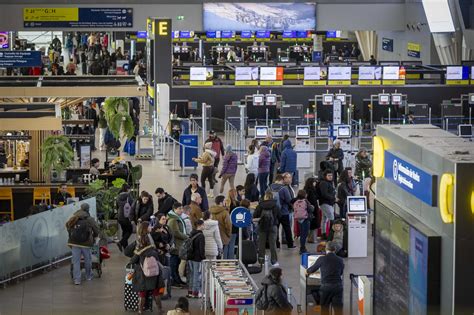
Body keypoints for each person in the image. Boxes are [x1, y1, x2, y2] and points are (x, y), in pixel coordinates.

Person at [129, 221, 163, 315]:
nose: (151, 227)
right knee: (156, 291)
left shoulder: (139, 248)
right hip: (154, 271)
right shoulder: (152, 248)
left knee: (142, 292)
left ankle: (140, 310)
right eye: (149, 226)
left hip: (143, 272)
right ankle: (160, 309)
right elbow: (157, 257)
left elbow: (133, 259)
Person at [306, 241, 344, 315]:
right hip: (338, 287)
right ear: (335, 249)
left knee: (324, 309)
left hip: (326, 287)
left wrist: (307, 271)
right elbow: (341, 272)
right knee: (338, 309)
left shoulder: (322, 259)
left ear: (326, 249)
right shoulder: (340, 260)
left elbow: (311, 270)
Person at [66, 203, 100, 285]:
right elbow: (96, 229)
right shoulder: (89, 218)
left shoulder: (74, 216)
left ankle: (77, 280)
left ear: (81, 208)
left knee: (76, 261)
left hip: (74, 242)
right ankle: (88, 276)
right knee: (87, 259)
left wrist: (72, 236)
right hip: (85, 243)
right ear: (88, 209)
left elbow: (68, 226)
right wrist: (95, 237)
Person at [253, 191, 280, 266]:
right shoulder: (275, 205)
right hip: (273, 226)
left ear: (265, 197)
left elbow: (255, 215)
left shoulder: (260, 205)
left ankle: (261, 261)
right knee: (273, 244)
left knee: (261, 244)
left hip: (262, 226)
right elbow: (279, 215)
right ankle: (274, 261)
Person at [268, 174, 295, 249]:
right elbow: (289, 200)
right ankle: (290, 244)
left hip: (273, 212)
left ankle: (276, 244)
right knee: (287, 228)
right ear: (282, 180)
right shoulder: (284, 188)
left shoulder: (269, 187)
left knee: (275, 228)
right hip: (284, 212)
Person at [167, 202, 188, 287]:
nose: (181, 210)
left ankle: (177, 279)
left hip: (179, 244)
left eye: (182, 208)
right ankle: (174, 280)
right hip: (176, 245)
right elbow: (175, 232)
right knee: (174, 263)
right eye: (179, 209)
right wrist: (186, 237)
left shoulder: (176, 218)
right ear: (174, 209)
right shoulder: (173, 219)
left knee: (177, 263)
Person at [187, 219, 206, 298]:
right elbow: (201, 249)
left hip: (190, 257)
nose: (204, 226)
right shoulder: (201, 236)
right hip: (197, 258)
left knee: (191, 275)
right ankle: (196, 292)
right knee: (197, 275)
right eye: (203, 225)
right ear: (200, 225)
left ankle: (190, 292)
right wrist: (203, 257)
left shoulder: (191, 233)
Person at [292, 190, 313, 254]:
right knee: (305, 234)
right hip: (305, 219)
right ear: (305, 195)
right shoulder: (306, 201)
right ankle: (302, 248)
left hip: (299, 220)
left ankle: (302, 248)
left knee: (302, 234)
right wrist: (312, 207)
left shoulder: (296, 202)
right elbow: (310, 209)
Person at [116, 184, 134, 251]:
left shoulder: (118, 196)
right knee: (130, 230)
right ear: (127, 189)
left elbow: (117, 206)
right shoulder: (129, 196)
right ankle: (121, 243)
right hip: (127, 217)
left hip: (120, 216)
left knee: (125, 231)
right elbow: (133, 206)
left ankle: (125, 247)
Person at [319, 170, 336, 239]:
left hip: (328, 203)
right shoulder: (324, 183)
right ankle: (332, 235)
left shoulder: (329, 183)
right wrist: (334, 198)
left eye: (331, 175)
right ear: (325, 176)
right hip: (325, 203)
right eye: (329, 175)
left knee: (324, 219)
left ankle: (323, 234)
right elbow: (324, 194)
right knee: (332, 218)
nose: (330, 177)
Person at [304, 177, 320, 244]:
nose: (315, 183)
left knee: (311, 224)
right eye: (314, 182)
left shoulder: (308, 190)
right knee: (314, 224)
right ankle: (312, 239)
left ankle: (311, 238)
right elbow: (312, 200)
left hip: (311, 209)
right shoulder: (310, 190)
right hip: (312, 209)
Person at [225, 188, 239, 259]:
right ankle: (231, 260)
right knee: (232, 244)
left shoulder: (225, 203)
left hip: (226, 226)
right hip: (234, 226)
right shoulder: (237, 204)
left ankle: (224, 260)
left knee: (226, 244)